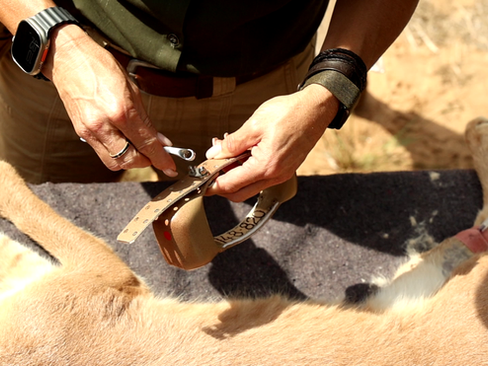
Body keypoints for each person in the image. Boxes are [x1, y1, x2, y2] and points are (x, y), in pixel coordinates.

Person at [0, 0, 418, 202]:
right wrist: (58, 43)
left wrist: (329, 91)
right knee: (40, 237)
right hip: (58, 80)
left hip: (262, 97)